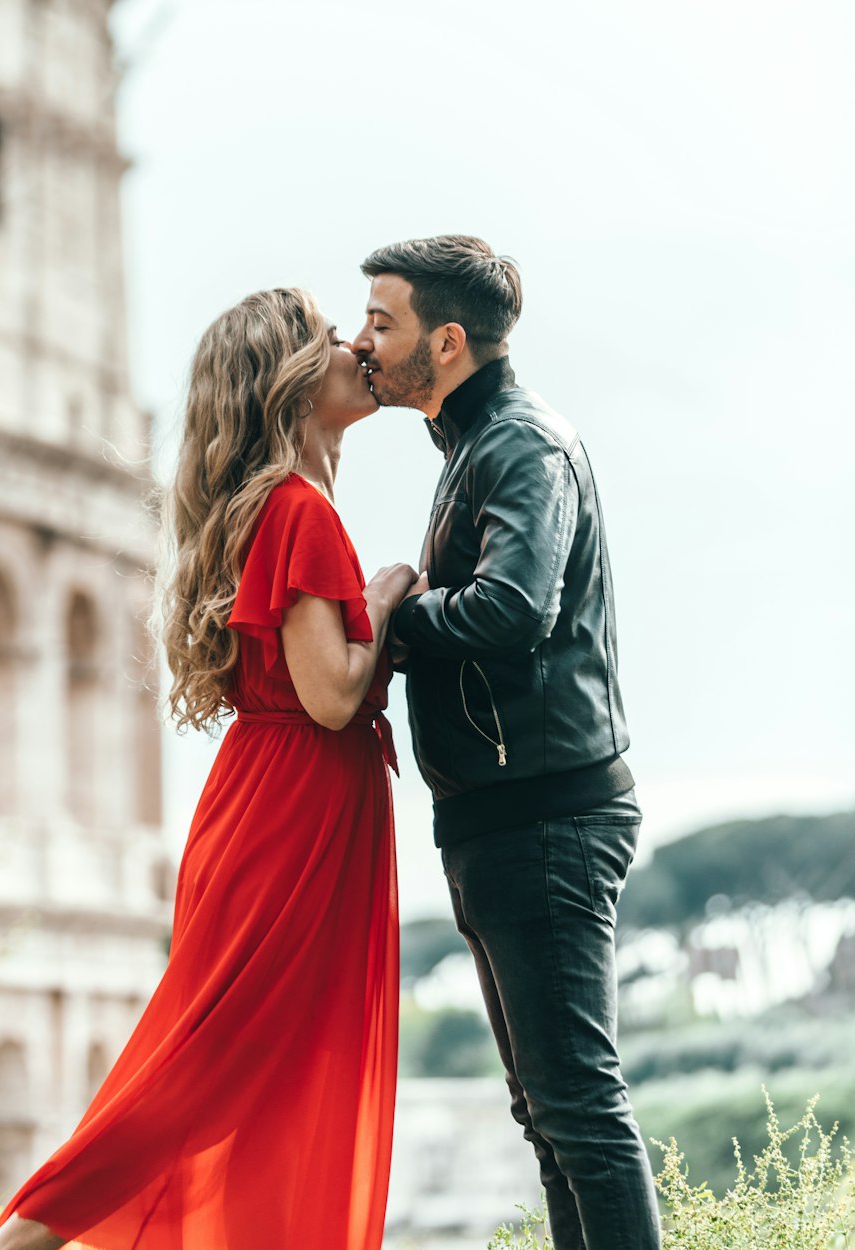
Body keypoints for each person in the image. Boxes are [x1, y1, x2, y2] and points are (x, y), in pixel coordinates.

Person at [0, 288, 417, 1250]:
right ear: (292, 381)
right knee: (208, 1065)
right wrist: (383, 599)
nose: (356, 348)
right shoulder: (296, 511)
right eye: (331, 339)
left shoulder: (286, 505)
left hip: (280, 806)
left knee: (254, 1068)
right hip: (292, 815)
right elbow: (332, 696)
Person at [352, 235, 661, 1250]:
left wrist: (391, 613)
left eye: (381, 323)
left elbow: (512, 608)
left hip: (545, 814)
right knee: (548, 1110)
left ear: (444, 343)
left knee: (577, 1106)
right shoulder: (473, 448)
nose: (361, 342)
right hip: (505, 813)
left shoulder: (520, 444)